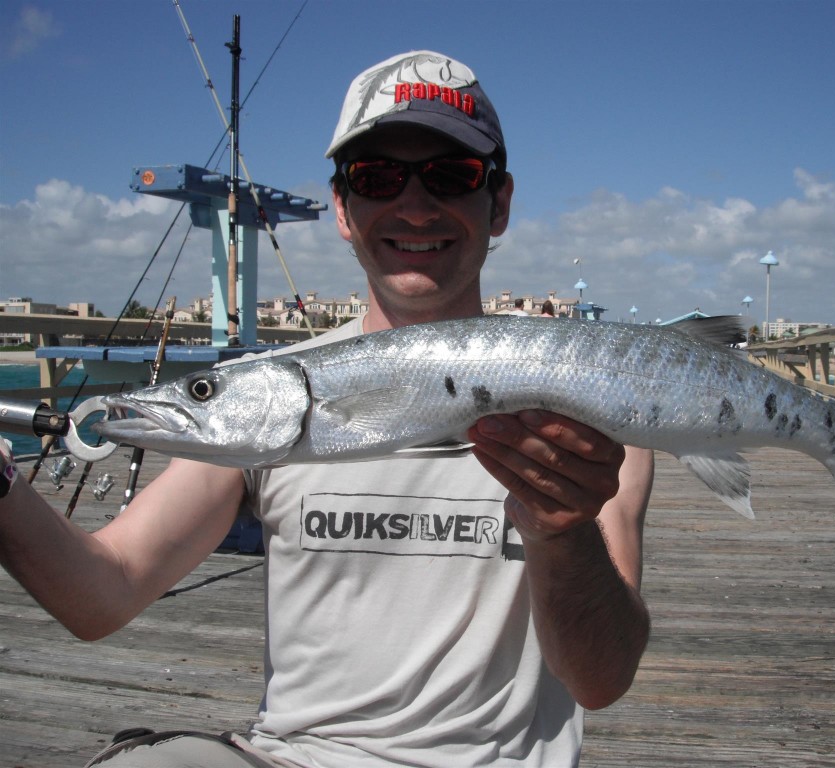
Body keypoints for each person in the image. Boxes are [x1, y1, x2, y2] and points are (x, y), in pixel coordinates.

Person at [0, 51, 653, 767]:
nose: (413, 205)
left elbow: (601, 679)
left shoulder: (592, 407)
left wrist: (563, 534)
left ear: (497, 203)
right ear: (342, 207)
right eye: (377, 178)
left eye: (451, 175)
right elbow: (103, 591)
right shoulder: (260, 397)